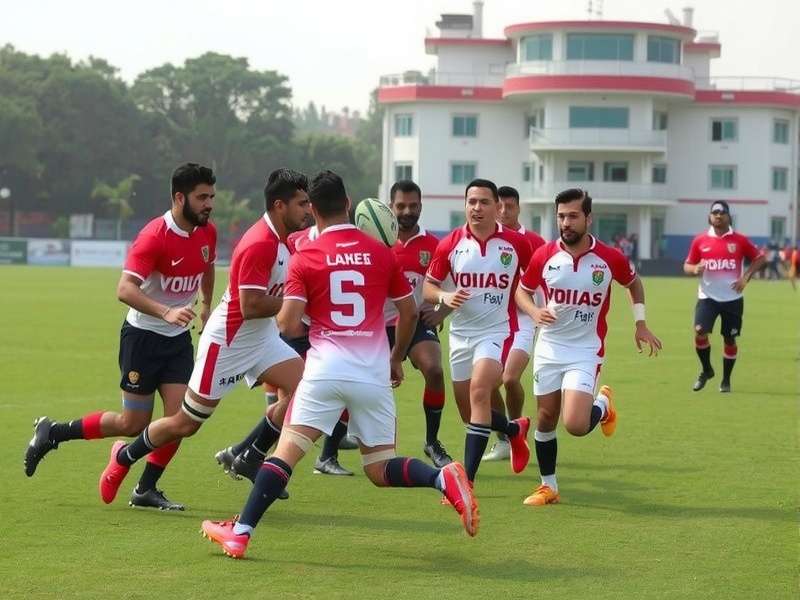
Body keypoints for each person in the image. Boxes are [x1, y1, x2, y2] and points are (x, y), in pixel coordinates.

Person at [200, 171, 478, 559]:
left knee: (286, 452)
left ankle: (241, 533)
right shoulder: (383, 252)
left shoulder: (306, 256)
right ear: (348, 204)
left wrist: (311, 306)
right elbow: (409, 313)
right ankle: (440, 478)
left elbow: (288, 323)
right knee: (380, 468)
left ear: (312, 210)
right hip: (373, 372)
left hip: (325, 371)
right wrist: (396, 359)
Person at [97, 168, 311, 504]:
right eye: (302, 204)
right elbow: (251, 304)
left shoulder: (285, 238)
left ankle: (251, 455)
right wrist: (298, 301)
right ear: (280, 206)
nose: (308, 211)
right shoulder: (259, 243)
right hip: (228, 342)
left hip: (261, 338)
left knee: (306, 390)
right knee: (184, 424)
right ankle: (123, 456)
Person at [24, 163, 217, 510]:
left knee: (182, 422)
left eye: (211, 197)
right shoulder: (154, 236)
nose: (209, 204)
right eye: (201, 197)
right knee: (133, 423)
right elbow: (124, 289)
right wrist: (165, 311)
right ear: (179, 197)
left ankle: (145, 488)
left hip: (177, 341)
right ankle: (53, 432)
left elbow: (207, 266)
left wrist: (205, 305)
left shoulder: (207, 232)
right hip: (142, 338)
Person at [515, 188, 662, 506]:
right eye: (561, 216)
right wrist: (533, 311)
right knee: (545, 417)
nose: (565, 223)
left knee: (576, 425)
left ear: (588, 218)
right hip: (549, 348)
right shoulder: (544, 255)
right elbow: (522, 291)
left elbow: (633, 283)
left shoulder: (609, 258)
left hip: (585, 351)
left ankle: (603, 406)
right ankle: (548, 486)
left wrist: (640, 323)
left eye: (572, 216)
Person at [214, 221, 356, 481]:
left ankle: (244, 454)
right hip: (294, 331)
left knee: (298, 402)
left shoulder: (344, 246)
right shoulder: (296, 240)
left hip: (316, 332)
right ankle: (262, 459)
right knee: (298, 403)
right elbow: (248, 275)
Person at [422, 178, 533, 485]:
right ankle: (513, 429)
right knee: (469, 413)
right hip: (460, 334)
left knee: (480, 392)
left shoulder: (516, 243)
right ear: (465, 205)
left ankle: (466, 481)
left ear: (498, 207)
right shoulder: (450, 244)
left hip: (497, 332)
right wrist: (444, 297)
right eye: (472, 201)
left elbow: (536, 276)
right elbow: (429, 287)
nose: (477, 208)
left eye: (484, 202)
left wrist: (540, 308)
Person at [386, 180, 453, 467]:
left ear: (421, 207)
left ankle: (432, 442)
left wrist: (442, 311)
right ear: (391, 207)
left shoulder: (434, 246)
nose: (407, 211)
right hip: (379, 326)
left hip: (415, 323)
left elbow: (454, 287)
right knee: (358, 379)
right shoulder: (377, 241)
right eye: (401, 205)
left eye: (413, 206)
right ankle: (329, 453)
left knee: (435, 370)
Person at [483, 185, 545, 463]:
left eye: (511, 207)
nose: (505, 212)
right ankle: (508, 439)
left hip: (523, 321)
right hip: (495, 321)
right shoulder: (488, 239)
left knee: (509, 378)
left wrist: (542, 312)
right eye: (501, 207)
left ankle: (516, 425)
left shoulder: (533, 241)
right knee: (489, 385)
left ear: (519, 208)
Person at [683, 200, 765, 393]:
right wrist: (695, 268)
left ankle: (726, 380)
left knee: (729, 339)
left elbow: (760, 258)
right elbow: (687, 265)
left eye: (722, 212)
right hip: (707, 297)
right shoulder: (700, 240)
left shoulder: (740, 240)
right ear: (710, 217)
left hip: (732, 299)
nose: (718, 215)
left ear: (728, 216)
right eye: (714, 212)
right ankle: (706, 370)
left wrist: (746, 277)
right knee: (700, 332)